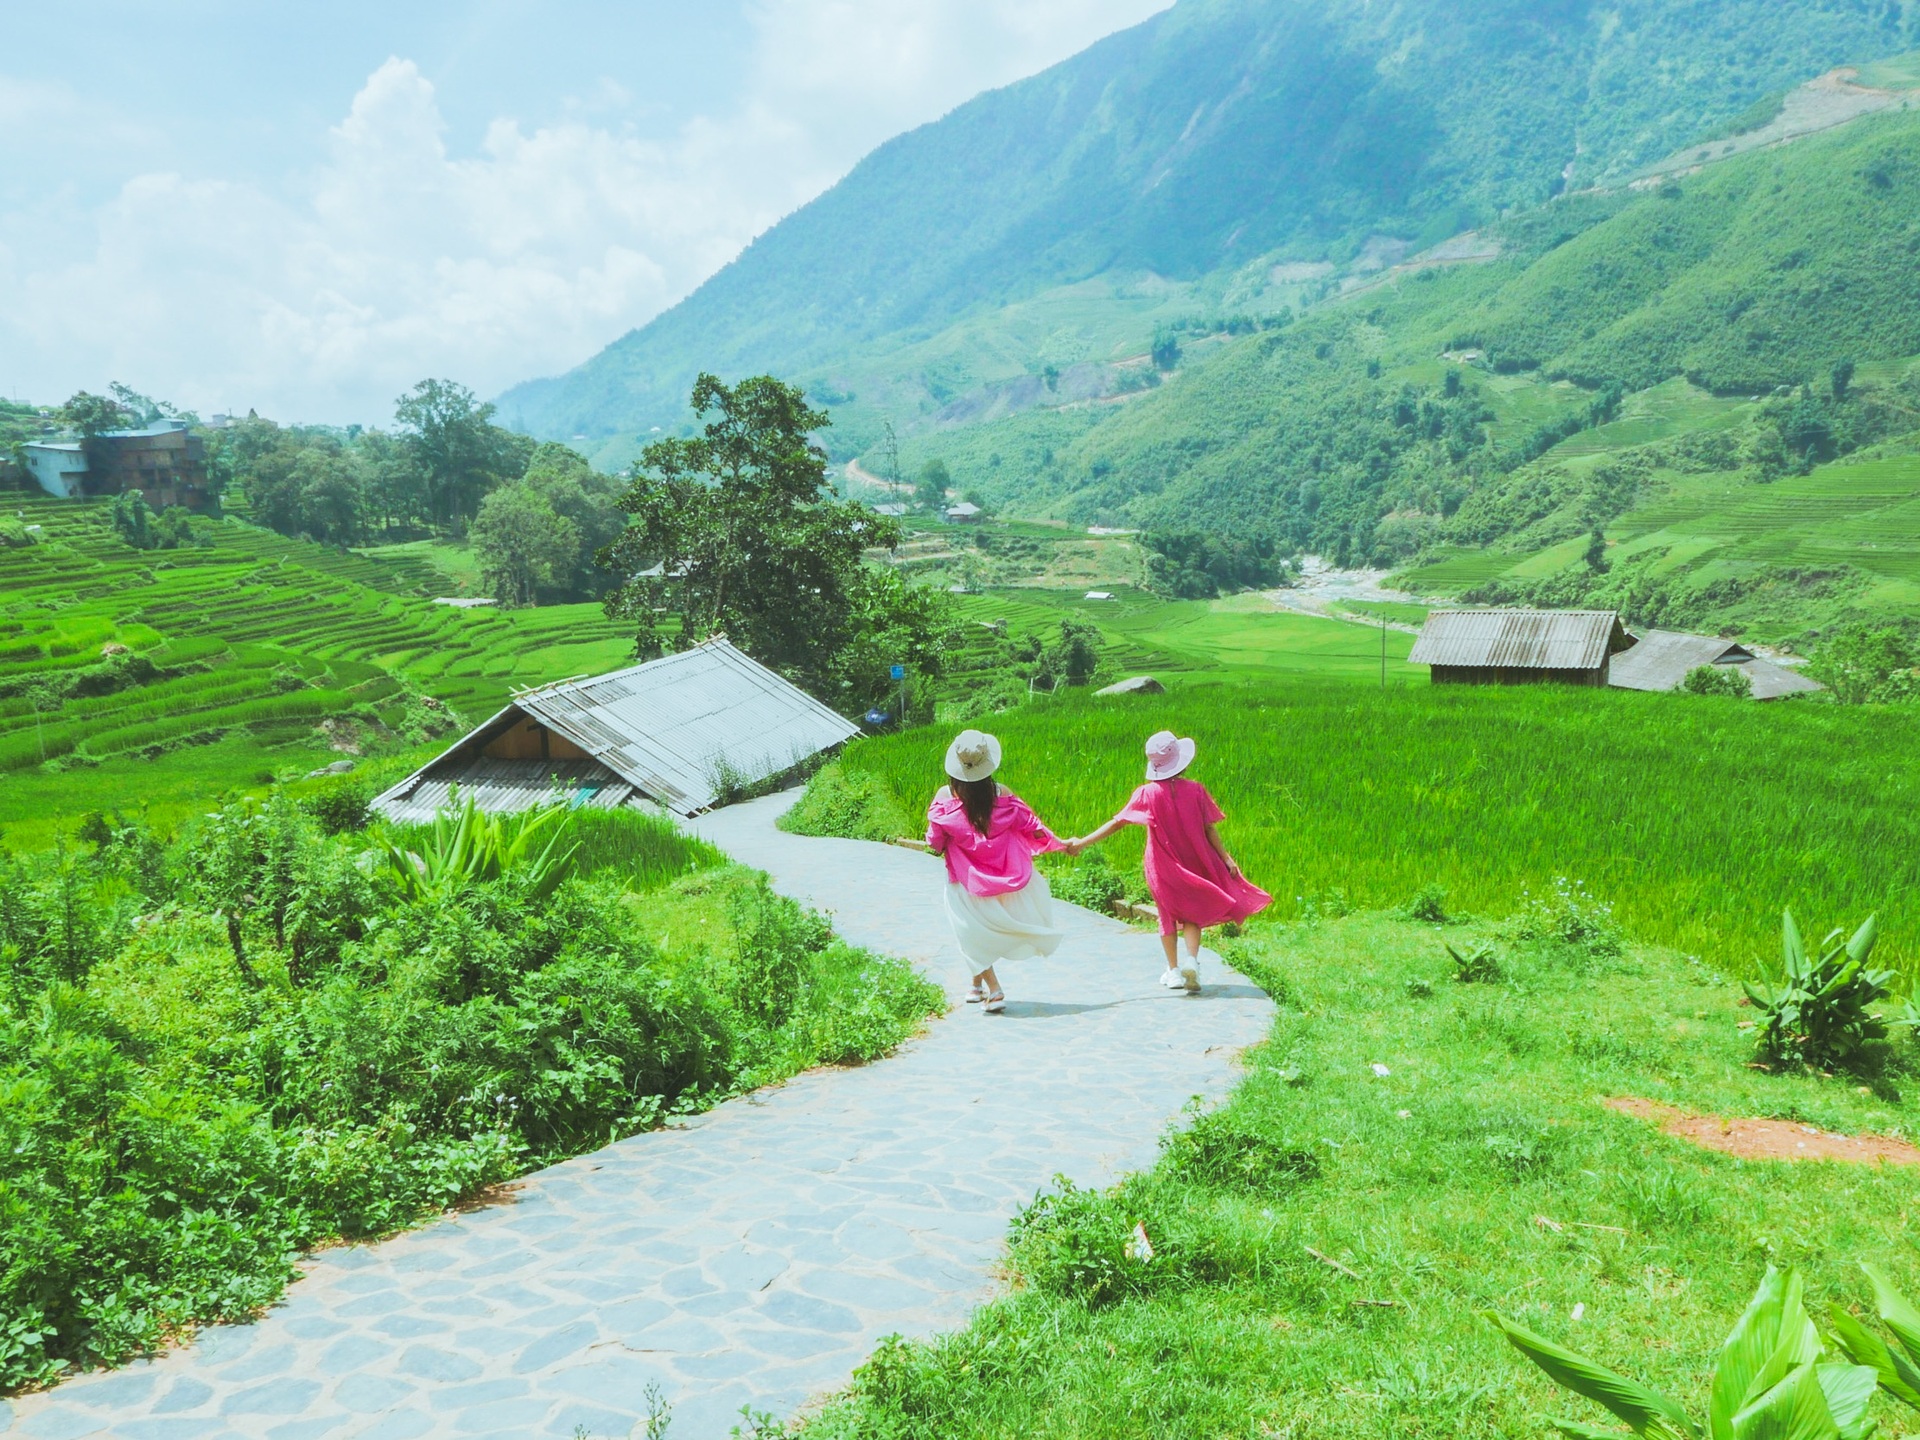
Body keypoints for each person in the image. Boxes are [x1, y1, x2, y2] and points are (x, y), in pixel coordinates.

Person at [1071, 729, 1269, 993]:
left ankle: (1174, 972)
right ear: (1180, 761)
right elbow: (1210, 828)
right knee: (1191, 912)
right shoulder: (1196, 790)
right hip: (1194, 860)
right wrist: (1226, 857)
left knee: (1166, 914)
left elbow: (1117, 822)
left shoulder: (1146, 793)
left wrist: (1081, 843)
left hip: (1161, 865)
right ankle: (1191, 960)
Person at [924, 729, 1068, 1013]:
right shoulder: (1003, 794)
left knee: (970, 931)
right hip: (1005, 874)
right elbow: (1033, 826)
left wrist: (942, 843)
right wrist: (1062, 845)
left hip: (966, 879)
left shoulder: (945, 797)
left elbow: (935, 841)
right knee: (976, 930)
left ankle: (995, 989)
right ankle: (976, 985)